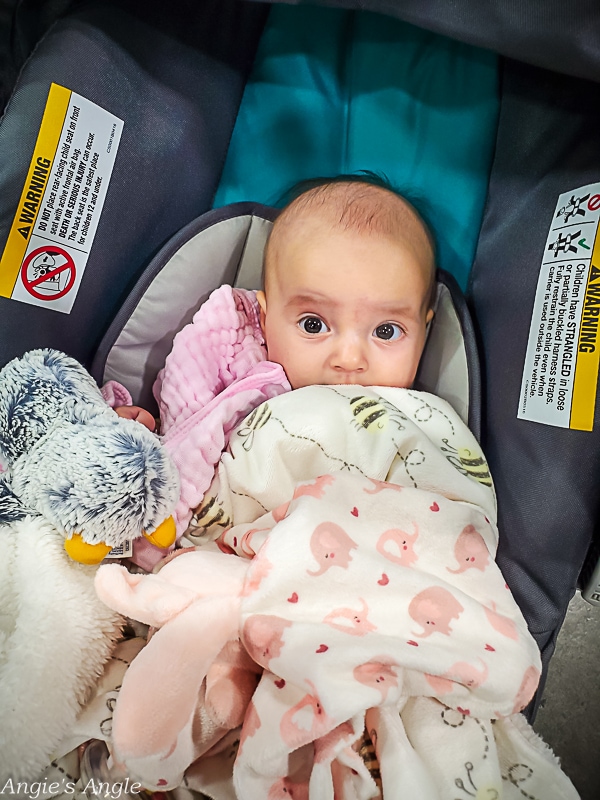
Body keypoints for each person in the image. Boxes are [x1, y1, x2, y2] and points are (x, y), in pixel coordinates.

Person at [115, 174, 437, 429]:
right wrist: (152, 434)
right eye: (313, 325)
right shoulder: (239, 386)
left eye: (385, 331)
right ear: (266, 319)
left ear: (425, 332)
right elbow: (191, 443)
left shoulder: (422, 426)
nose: (350, 360)